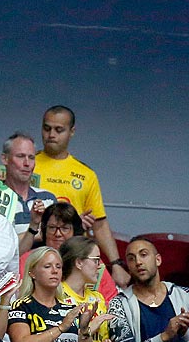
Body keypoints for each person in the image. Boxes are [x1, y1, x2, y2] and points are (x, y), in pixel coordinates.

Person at [34, 107, 125, 287]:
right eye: (47, 128)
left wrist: (116, 264)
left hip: (74, 256)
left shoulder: (86, 174)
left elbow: (100, 224)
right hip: (36, 250)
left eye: (59, 130)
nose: (51, 134)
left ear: (72, 132)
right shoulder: (28, 165)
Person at [106, 237, 189, 342]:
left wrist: (186, 334)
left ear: (158, 259)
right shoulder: (119, 303)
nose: (138, 262)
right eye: (131, 258)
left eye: (143, 254)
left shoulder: (186, 296)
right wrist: (164, 337)